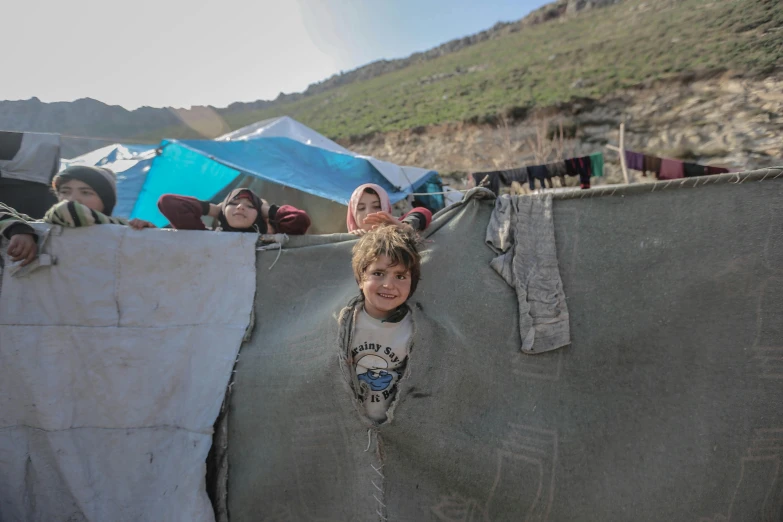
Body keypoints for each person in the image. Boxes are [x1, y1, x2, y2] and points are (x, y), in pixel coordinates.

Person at [1, 166, 154, 266]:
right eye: (65, 191)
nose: (73, 199)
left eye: (86, 192)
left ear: (106, 202)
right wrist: (18, 229)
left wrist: (147, 232)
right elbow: (68, 210)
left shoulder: (120, 234)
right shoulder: (38, 227)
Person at [347, 225, 421, 423]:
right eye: (378, 273)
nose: (389, 285)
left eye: (400, 276)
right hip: (347, 428)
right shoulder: (345, 324)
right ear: (361, 278)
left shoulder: (417, 329)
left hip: (396, 430)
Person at [157, 188, 311, 235]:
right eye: (233, 203)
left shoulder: (274, 242)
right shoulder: (206, 236)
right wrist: (215, 210)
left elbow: (300, 220)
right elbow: (168, 202)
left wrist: (265, 209)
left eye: (250, 206)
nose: (240, 207)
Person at [347, 183, 432, 236]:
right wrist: (351, 239)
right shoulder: (343, 242)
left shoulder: (397, 228)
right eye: (361, 208)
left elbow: (423, 212)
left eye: (376, 206)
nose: (368, 212)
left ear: (386, 208)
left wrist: (404, 227)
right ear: (353, 214)